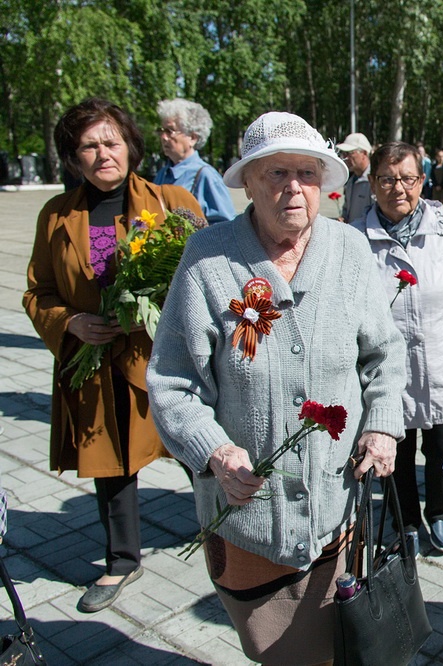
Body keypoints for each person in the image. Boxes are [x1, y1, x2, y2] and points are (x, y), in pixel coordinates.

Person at [146, 112, 406, 665]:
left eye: (307, 174)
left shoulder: (349, 250)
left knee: (341, 647)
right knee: (281, 655)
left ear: (324, 183)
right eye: (277, 173)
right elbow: (172, 384)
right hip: (249, 523)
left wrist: (382, 427)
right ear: (249, 182)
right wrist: (214, 452)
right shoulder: (208, 261)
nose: (294, 188)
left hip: (338, 515)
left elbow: (384, 355)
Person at [24, 98, 203, 613]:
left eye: (111, 141)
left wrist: (155, 308)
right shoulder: (56, 215)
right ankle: (122, 558)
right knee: (112, 461)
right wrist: (72, 323)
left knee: (199, 448)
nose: (103, 153)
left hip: (162, 359)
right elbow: (38, 293)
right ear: (72, 156)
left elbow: (204, 279)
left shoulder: (172, 201)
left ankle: (235, 535)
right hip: (96, 361)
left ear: (130, 146)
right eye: (89, 145)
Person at [352, 141, 443, 553]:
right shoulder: (355, 239)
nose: (399, 189)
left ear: (422, 181)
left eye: (408, 179)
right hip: (391, 372)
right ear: (373, 184)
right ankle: (407, 521)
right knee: (398, 452)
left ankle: (440, 514)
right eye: (388, 180)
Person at [154, 98, 237, 225]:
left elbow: (226, 228)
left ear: (192, 138)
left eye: (170, 131)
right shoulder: (162, 174)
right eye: (162, 130)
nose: (163, 137)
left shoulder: (206, 176)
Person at [337, 132, 374, 223]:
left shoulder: (374, 181)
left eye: (349, 153)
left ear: (364, 153)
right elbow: (346, 210)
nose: (345, 158)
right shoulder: (351, 181)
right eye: (343, 153)